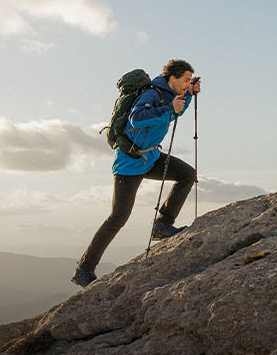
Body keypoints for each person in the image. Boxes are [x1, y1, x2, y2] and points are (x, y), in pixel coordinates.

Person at [75, 60, 203, 287]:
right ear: (171, 78)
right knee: (118, 217)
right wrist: (168, 108)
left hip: (151, 157)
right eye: (185, 80)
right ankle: (84, 269)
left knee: (187, 175)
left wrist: (189, 94)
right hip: (130, 163)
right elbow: (137, 119)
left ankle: (162, 224)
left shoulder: (169, 95)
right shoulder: (152, 95)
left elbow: (176, 112)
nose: (187, 83)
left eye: (189, 81)